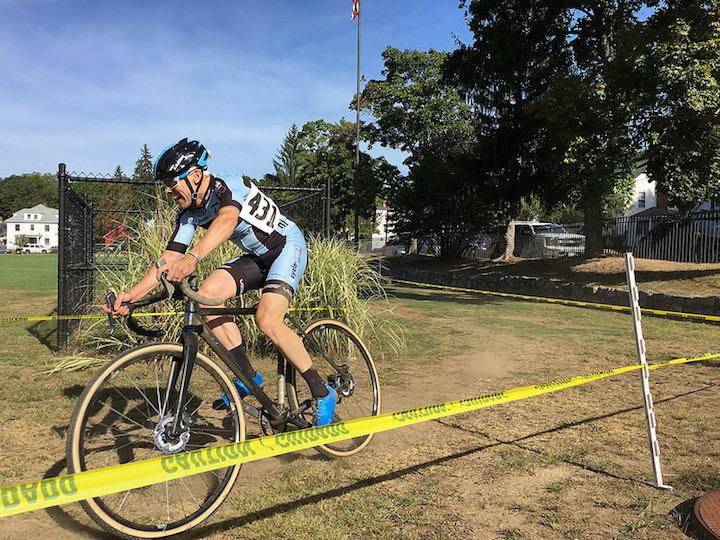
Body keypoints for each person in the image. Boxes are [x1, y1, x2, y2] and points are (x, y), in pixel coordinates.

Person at [103, 138, 337, 425]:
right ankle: (248, 377)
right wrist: (132, 295)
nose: (167, 191)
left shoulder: (227, 186)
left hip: (287, 247)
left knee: (267, 320)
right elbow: (167, 258)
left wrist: (193, 259)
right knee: (206, 296)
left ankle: (322, 391)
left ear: (195, 175)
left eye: (170, 182)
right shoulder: (189, 214)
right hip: (258, 256)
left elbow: (227, 220)